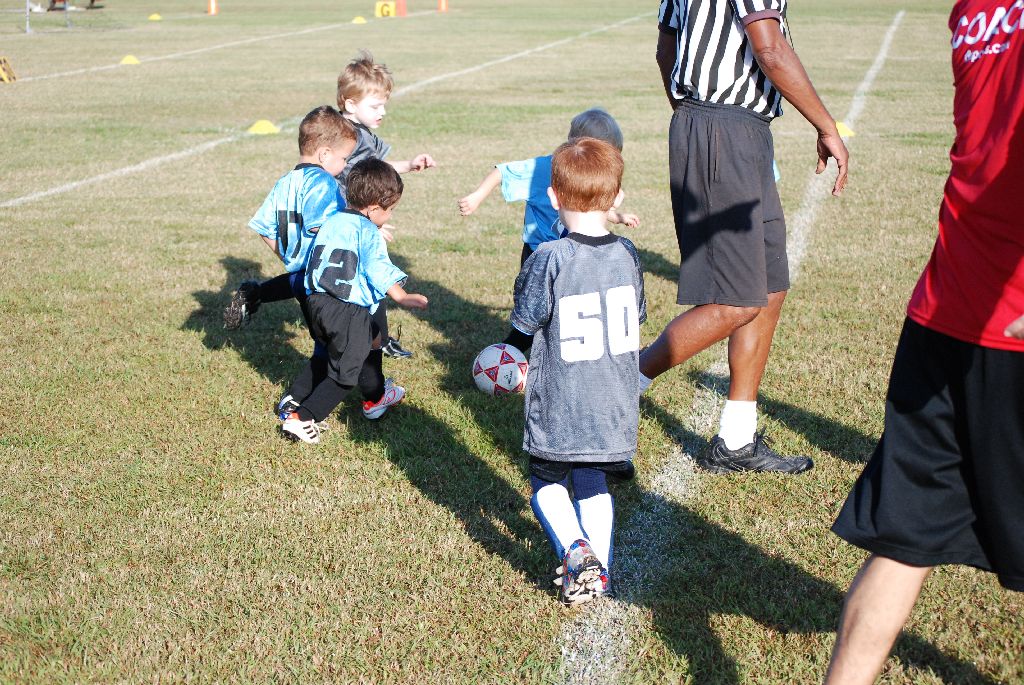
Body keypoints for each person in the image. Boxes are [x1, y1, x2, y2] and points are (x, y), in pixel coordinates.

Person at [825, 2, 1024, 681]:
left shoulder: (971, 12)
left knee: (902, 539)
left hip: (945, 309)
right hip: (1002, 320)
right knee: (903, 534)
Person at [643, 0, 849, 474]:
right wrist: (826, 126)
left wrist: (693, 119)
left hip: (735, 127)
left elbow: (666, 47)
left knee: (769, 286)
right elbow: (769, 48)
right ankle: (619, 382)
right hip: (723, 126)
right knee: (736, 301)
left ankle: (736, 441)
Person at [510, 138, 647, 605]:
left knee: (546, 479)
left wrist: (504, 358)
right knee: (592, 479)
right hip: (615, 396)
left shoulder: (550, 256)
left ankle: (575, 549)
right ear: (616, 198)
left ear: (553, 197)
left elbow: (525, 322)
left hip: (563, 396)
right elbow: (636, 315)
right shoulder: (627, 252)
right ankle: (599, 572)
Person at [279, 158, 428, 444]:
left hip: (317, 303)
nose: (390, 215)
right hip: (346, 311)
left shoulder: (332, 220)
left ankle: (376, 396)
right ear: (373, 208)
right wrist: (401, 295)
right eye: (390, 209)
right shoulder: (368, 231)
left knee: (366, 340)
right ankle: (302, 417)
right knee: (344, 375)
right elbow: (378, 268)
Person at [223, 106, 356, 416]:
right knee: (330, 348)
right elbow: (324, 227)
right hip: (321, 282)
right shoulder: (322, 183)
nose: (344, 165)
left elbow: (263, 227)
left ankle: (255, 293)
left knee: (328, 344)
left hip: (299, 276)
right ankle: (295, 401)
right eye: (344, 158)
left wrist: (284, 254)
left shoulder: (285, 182)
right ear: (324, 154)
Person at [335, 50, 437, 359]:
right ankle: (374, 340)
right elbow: (351, 183)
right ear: (350, 104)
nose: (382, 112)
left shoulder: (359, 133)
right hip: (349, 221)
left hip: (354, 219)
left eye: (384, 105)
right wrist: (365, 224)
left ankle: (377, 337)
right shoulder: (348, 138)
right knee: (369, 278)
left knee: (365, 279)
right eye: (375, 106)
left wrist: (408, 165)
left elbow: (375, 168)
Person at [458, 107, 640, 269]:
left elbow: (588, 205)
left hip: (575, 252)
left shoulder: (592, 176)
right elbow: (504, 172)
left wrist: (616, 217)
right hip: (539, 253)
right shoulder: (541, 169)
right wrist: (478, 196)